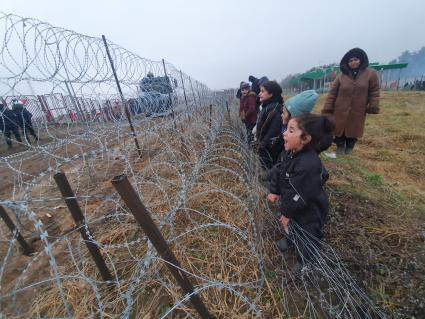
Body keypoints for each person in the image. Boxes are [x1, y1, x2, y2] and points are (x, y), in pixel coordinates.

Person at [267, 113, 335, 274]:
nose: (284, 133)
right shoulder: (292, 154)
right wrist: (275, 190)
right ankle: (291, 240)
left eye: (291, 131)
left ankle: (307, 261)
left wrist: (286, 213)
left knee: (308, 235)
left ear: (305, 139)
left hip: (310, 210)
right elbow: (280, 170)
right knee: (293, 226)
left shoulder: (307, 165)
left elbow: (299, 195)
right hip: (295, 204)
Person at [321, 48, 380, 155]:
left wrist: (373, 105)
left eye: (355, 59)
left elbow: (374, 91)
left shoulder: (371, 74)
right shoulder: (341, 77)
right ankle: (340, 148)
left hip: (358, 110)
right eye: (350, 61)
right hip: (340, 109)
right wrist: (327, 108)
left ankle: (349, 150)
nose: (353, 62)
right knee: (339, 131)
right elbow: (332, 94)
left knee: (353, 131)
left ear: (361, 60)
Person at [255, 81, 283, 169]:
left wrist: (262, 145)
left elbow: (273, 131)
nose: (259, 94)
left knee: (268, 168)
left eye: (263, 91)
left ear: (271, 94)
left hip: (269, 149)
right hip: (265, 146)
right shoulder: (267, 107)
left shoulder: (273, 110)